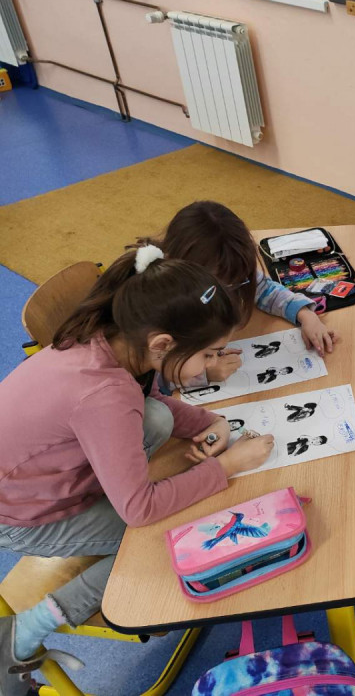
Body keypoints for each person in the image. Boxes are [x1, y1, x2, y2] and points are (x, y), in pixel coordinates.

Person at [0, 246, 274, 692]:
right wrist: (225, 466)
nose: (211, 366)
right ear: (162, 344)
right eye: (208, 355)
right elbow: (140, 510)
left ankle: (116, 487)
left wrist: (209, 421)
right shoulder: (103, 395)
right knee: (171, 530)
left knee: (158, 418)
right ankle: (28, 628)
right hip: (16, 516)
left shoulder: (111, 339)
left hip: (36, 477)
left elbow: (146, 401)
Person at [152, 201, 336, 389]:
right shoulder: (156, 302)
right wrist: (201, 375)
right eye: (217, 287)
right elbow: (147, 378)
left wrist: (305, 315)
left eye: (234, 283)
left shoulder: (229, 269)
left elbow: (265, 289)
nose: (228, 291)